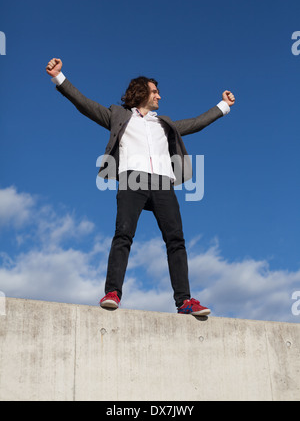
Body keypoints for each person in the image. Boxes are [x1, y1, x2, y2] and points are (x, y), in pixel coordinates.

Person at [46, 58, 235, 316]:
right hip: (132, 180)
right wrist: (59, 77)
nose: (160, 96)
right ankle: (112, 292)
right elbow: (85, 104)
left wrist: (223, 105)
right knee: (123, 234)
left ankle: (184, 302)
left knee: (176, 240)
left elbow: (196, 123)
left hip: (162, 183)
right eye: (155, 91)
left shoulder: (164, 124)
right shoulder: (118, 116)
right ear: (141, 93)